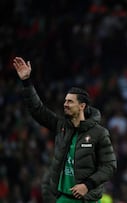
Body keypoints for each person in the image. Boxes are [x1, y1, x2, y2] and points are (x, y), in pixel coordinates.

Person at [13, 57, 117, 203]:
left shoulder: (99, 133)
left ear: (82, 106)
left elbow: (109, 166)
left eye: (70, 101)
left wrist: (87, 185)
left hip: (87, 200)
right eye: (65, 101)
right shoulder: (62, 126)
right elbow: (37, 110)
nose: (65, 104)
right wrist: (26, 82)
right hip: (63, 198)